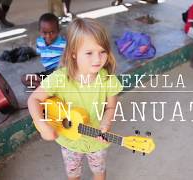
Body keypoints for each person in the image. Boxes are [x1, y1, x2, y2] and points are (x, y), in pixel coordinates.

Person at [27, 18, 123, 180]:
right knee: (73, 174)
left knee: (99, 172)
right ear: (73, 53)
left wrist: (106, 123)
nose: (97, 59)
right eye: (89, 53)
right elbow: (33, 100)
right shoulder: (60, 78)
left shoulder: (108, 79)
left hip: (96, 141)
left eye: (102, 51)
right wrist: (43, 126)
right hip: (69, 141)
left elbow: (111, 107)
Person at [21, 13, 66, 88]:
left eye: (52, 32)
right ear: (39, 31)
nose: (48, 36)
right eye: (44, 33)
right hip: (48, 73)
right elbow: (40, 53)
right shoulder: (40, 42)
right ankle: (44, 87)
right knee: (24, 78)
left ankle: (47, 88)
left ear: (58, 31)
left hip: (61, 71)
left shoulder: (64, 43)